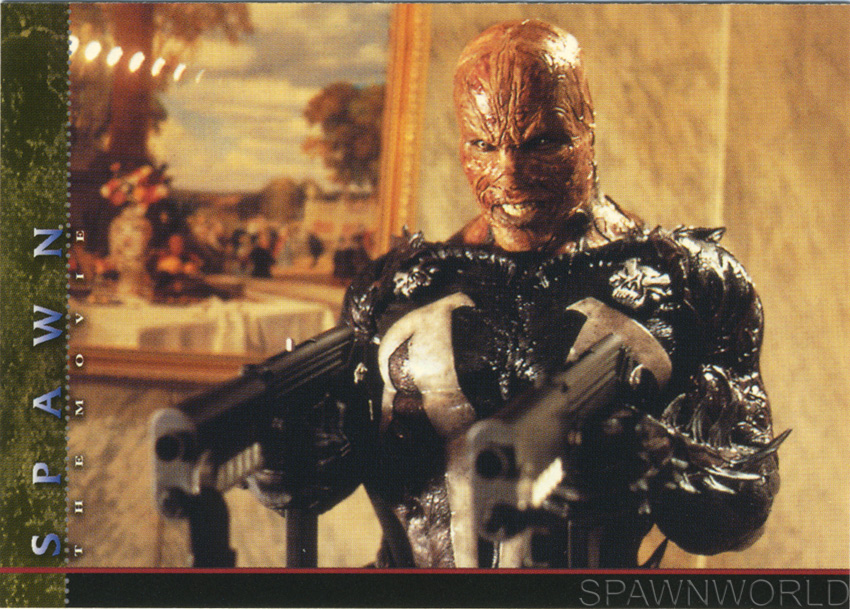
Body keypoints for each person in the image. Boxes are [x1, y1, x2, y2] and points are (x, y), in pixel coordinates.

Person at [249, 20, 783, 568]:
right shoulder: (394, 288)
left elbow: (743, 506)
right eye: (483, 145)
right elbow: (323, 473)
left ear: (587, 126)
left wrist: (661, 465)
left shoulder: (689, 284)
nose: (510, 172)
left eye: (543, 142)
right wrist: (283, 461)